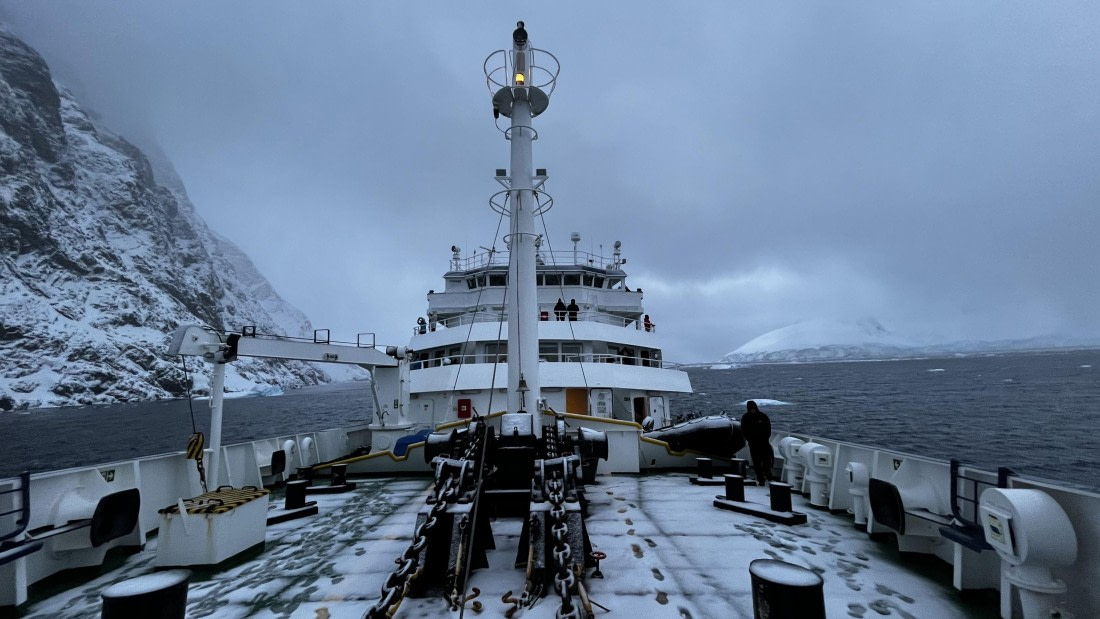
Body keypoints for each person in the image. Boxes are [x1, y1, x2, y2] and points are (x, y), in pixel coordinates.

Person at [740, 400, 775, 485]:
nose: (752, 410)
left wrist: (766, 438)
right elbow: (744, 430)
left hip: (764, 443)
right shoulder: (745, 418)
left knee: (766, 461)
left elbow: (768, 428)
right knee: (757, 462)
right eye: (750, 408)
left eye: (753, 408)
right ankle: (760, 479)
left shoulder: (763, 416)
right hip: (753, 444)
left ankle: (769, 476)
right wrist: (750, 440)